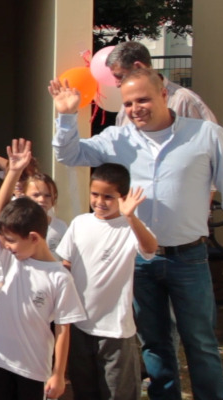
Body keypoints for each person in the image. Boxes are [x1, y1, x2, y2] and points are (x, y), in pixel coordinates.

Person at [50, 68, 223, 399]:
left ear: (165, 94)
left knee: (201, 344)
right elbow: (69, 154)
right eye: (129, 102)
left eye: (144, 99)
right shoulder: (117, 138)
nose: (135, 108)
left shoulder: (205, 134)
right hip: (139, 263)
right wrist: (66, 117)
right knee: (154, 345)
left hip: (189, 256)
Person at [0, 139, 86, 400]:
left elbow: (63, 329)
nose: (5, 246)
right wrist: (14, 172)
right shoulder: (13, 259)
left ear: (34, 238)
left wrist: (58, 373)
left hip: (34, 370)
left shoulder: (60, 278)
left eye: (11, 240)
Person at [56, 163, 157, 400]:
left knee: (116, 392)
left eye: (108, 197)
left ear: (122, 197)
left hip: (116, 330)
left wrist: (131, 216)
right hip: (80, 325)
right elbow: (66, 264)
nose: (100, 201)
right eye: (95, 194)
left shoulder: (129, 227)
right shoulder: (80, 223)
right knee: (84, 390)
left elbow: (150, 249)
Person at [105, 41, 217, 125]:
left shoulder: (185, 101)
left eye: (119, 76)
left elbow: (211, 145)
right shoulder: (125, 109)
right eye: (129, 104)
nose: (117, 84)